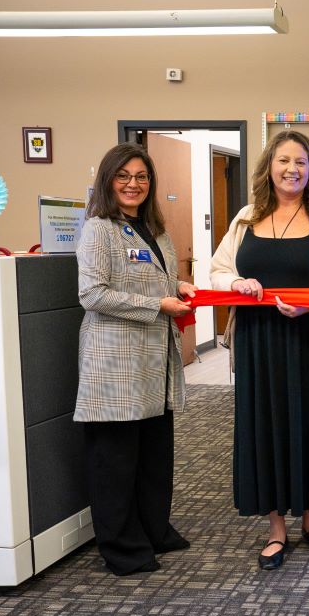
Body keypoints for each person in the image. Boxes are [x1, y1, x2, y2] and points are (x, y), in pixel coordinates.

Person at [210, 130, 309, 571]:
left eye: (301, 162)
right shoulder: (246, 217)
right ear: (269, 167)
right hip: (260, 344)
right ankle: (277, 528)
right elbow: (219, 269)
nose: (291, 169)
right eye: (283, 160)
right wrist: (235, 283)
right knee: (268, 428)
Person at [75, 143, 195, 576]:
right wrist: (158, 304)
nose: (133, 184)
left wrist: (178, 286)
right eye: (123, 176)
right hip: (115, 365)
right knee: (116, 462)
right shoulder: (98, 228)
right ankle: (123, 547)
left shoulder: (153, 228)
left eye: (141, 176)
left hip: (153, 363)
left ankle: (153, 530)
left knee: (153, 455)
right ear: (108, 180)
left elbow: (154, 278)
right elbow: (92, 294)